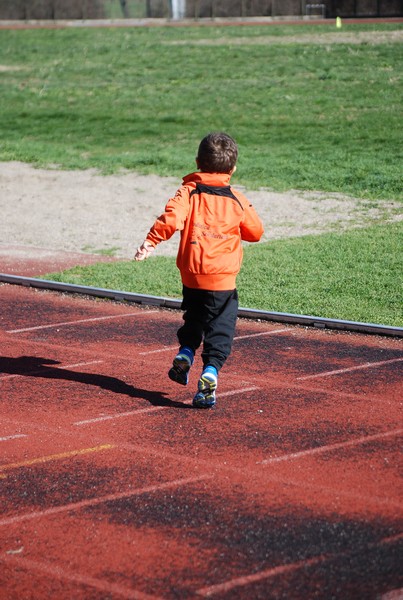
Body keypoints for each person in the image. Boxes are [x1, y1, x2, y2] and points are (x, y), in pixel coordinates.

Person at [134, 132, 264, 408]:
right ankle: (210, 371)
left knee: (194, 317)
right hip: (223, 280)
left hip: (192, 275)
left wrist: (151, 241)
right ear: (233, 169)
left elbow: (171, 217)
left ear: (197, 162)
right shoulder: (237, 199)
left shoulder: (188, 192)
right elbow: (255, 232)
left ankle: (186, 352)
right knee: (221, 327)